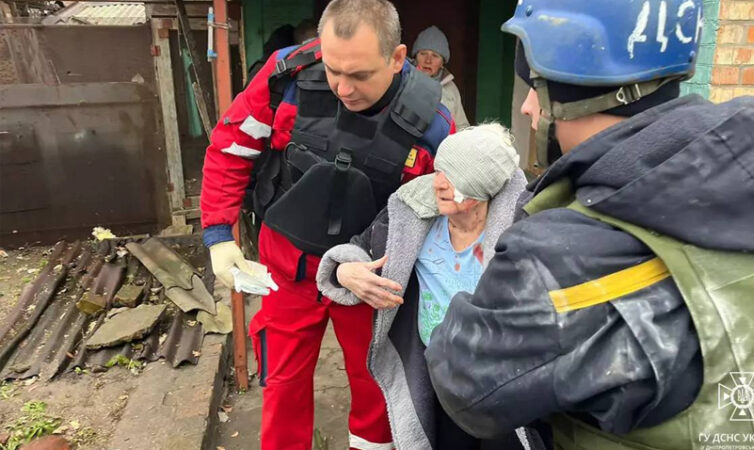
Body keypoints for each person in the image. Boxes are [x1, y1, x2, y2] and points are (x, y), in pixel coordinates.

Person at [425, 0, 754, 449]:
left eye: (537, 86)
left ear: (584, 90)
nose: (527, 107)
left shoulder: (556, 257)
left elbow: (463, 384)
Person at [200, 0, 455, 448]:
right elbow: (232, 145)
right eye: (335, 70)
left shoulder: (432, 123)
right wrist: (220, 235)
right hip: (288, 265)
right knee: (281, 386)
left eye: (360, 76)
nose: (343, 88)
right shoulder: (288, 76)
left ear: (397, 58)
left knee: (376, 387)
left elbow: (439, 215)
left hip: (369, 278)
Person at [316, 124, 531, 449]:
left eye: (454, 175)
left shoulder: (523, 230)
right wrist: (345, 270)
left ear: (482, 186)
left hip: (501, 378)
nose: (439, 183)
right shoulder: (414, 215)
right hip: (439, 375)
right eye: (440, 171)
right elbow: (360, 246)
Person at [412, 26, 469, 131]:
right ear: (415, 57)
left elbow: (461, 126)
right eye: (423, 53)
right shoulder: (404, 81)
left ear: (442, 63)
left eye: (435, 55)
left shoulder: (450, 88)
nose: (428, 60)